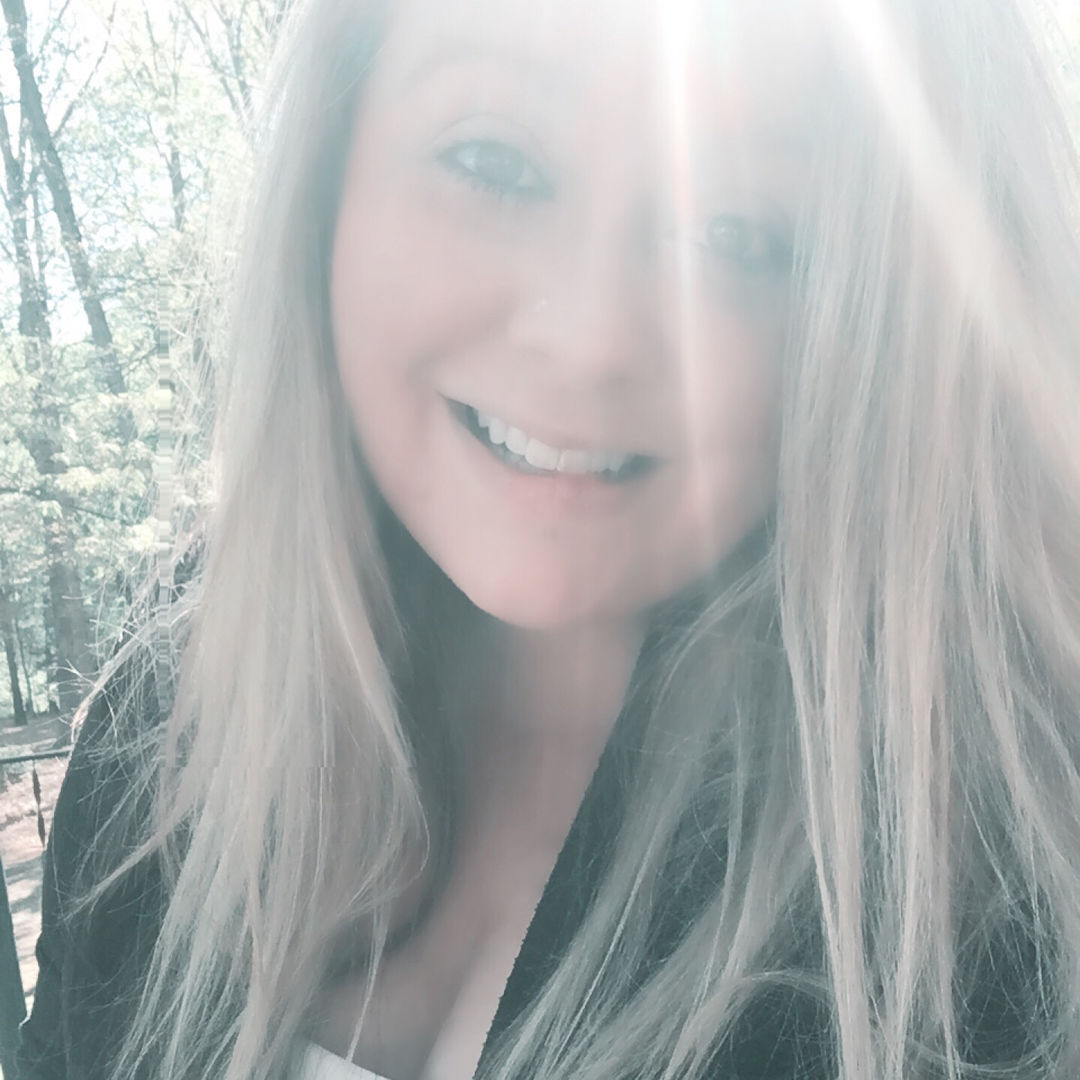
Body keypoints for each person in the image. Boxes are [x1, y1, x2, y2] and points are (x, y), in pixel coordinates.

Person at [15, 0, 1080, 1077]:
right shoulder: (171, 721)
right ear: (331, 175)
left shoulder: (1006, 911)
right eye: (494, 162)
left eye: (741, 233)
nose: (589, 339)